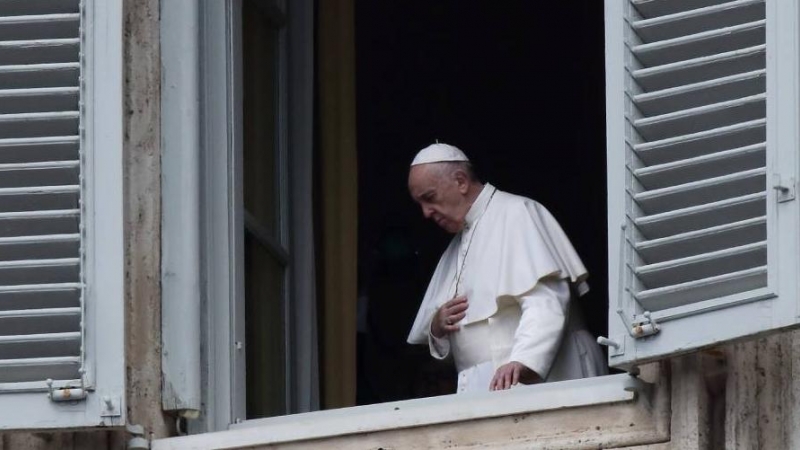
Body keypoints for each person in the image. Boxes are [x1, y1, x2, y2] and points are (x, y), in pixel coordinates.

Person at [406, 143, 606, 393]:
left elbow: (546, 300)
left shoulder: (517, 213)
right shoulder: (456, 246)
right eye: (420, 204)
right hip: (482, 384)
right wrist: (437, 326)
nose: (425, 213)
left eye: (430, 198)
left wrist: (523, 360)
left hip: (539, 375)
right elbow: (461, 346)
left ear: (461, 182)